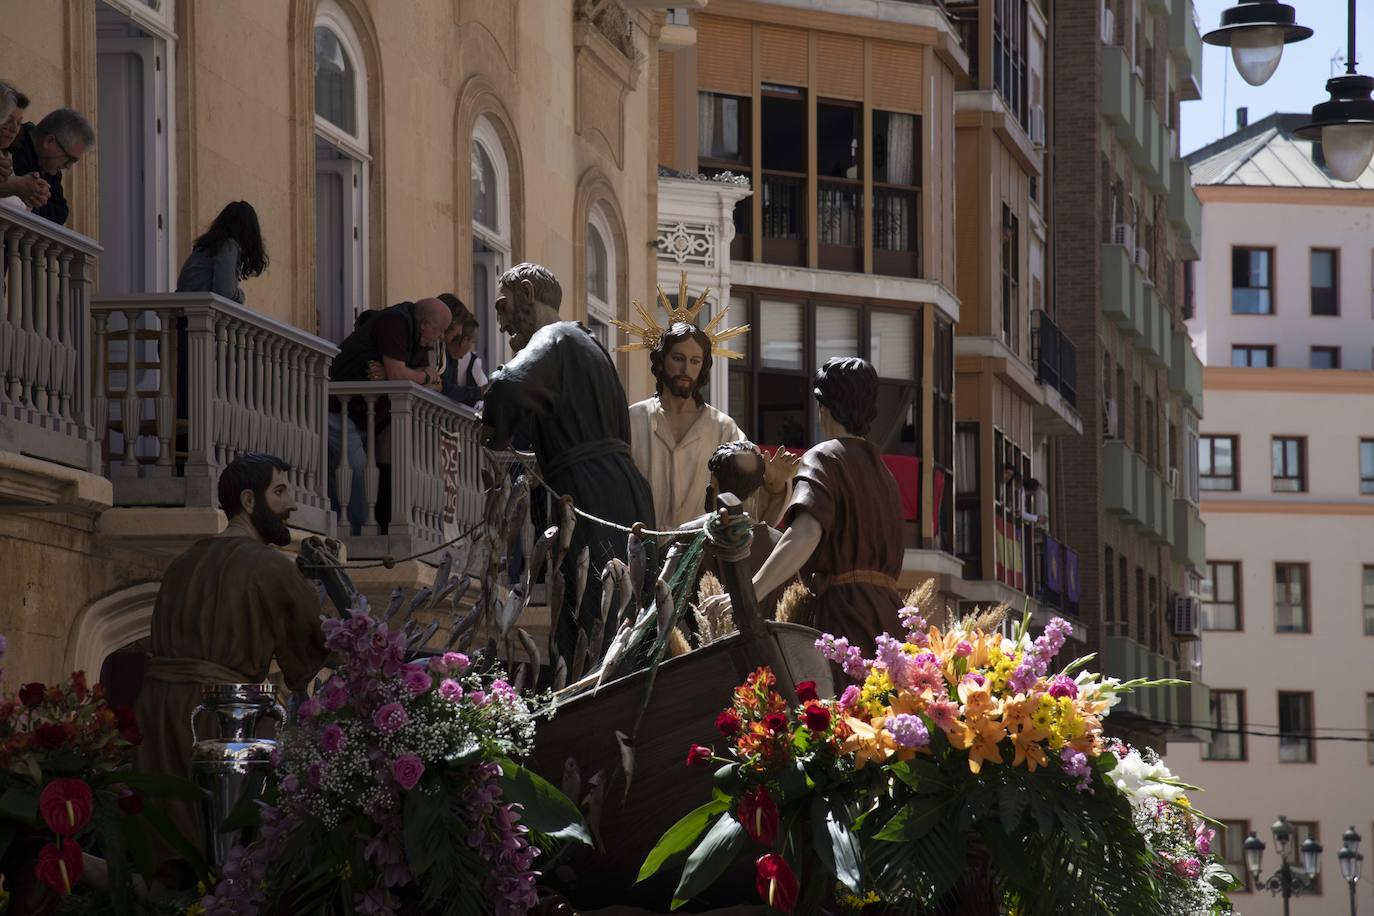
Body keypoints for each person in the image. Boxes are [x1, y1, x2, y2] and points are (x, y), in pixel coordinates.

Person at [134, 453, 328, 872]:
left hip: (156, 721)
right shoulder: (272, 568)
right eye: (279, 492)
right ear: (248, 500)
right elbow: (308, 659)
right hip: (220, 725)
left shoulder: (181, 563)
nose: (291, 504)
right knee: (223, 863)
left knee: (166, 862)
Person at [481, 262, 655, 657]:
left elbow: (507, 385)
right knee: (624, 612)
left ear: (527, 293)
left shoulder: (554, 337)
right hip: (621, 490)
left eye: (503, 307)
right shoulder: (589, 346)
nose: (502, 324)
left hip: (588, 491)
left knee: (590, 613)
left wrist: (490, 425)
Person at [701, 358, 905, 655]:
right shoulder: (886, 476)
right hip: (890, 619)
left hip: (843, 617)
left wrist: (749, 593)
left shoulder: (824, 458)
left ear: (823, 407)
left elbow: (805, 534)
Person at [627, 322, 793, 531]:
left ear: (703, 366)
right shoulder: (633, 420)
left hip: (702, 553)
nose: (686, 370)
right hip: (639, 548)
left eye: (695, 361)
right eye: (678, 359)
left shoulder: (724, 429)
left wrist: (774, 487)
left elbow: (747, 501)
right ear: (661, 361)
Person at [327, 298, 453, 531]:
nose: (442, 337)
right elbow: (409, 376)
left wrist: (402, 373)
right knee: (356, 470)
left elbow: (435, 383)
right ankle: (356, 533)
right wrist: (416, 375)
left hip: (365, 416)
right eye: (441, 330)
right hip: (339, 409)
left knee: (348, 473)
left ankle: (343, 528)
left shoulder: (420, 338)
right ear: (425, 324)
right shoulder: (396, 322)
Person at [664, 440, 787, 619]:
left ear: (713, 479)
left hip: (706, 645)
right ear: (757, 487)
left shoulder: (688, 536)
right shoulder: (780, 544)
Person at [7, 107, 94, 226]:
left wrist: (32, 206)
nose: (68, 166)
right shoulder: (12, 144)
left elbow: (60, 213)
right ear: (49, 141)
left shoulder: (49, 166)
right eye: (69, 158)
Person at [175, 201, 269, 302]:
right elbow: (224, 292)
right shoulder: (228, 246)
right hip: (197, 313)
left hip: (190, 311)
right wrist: (241, 295)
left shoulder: (208, 247)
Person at [0, 83, 50, 212]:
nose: (13, 129)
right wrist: (16, 186)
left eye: (18, 122)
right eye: (7, 120)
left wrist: (34, 191)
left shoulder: (11, 158)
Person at [436, 293, 486, 408]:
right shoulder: (436, 348)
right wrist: (480, 392)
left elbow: (445, 387)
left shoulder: (450, 358)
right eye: (472, 343)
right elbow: (445, 389)